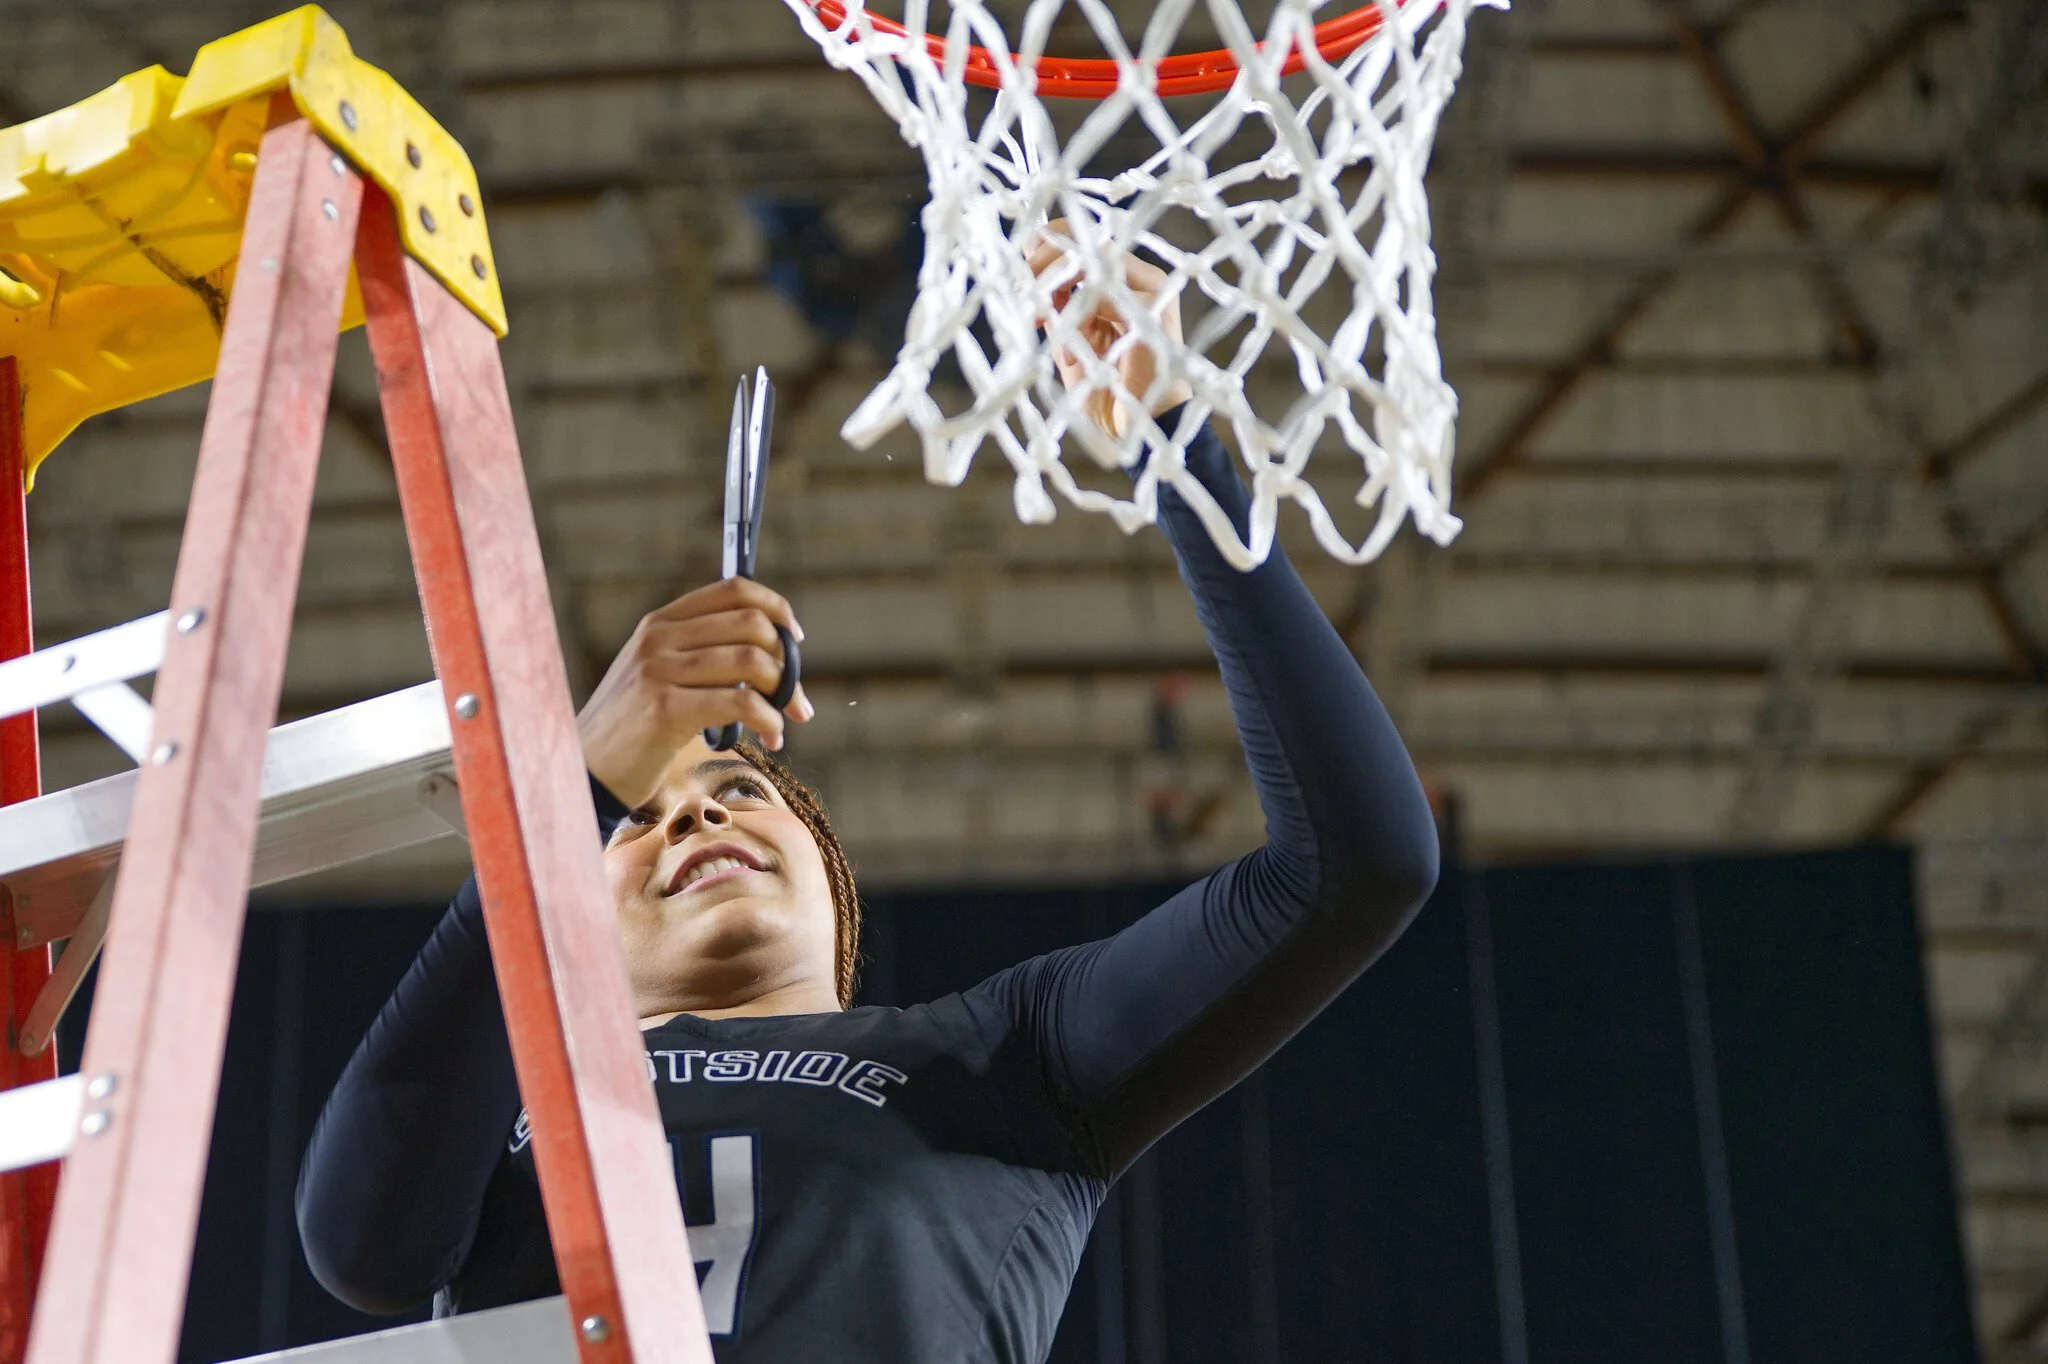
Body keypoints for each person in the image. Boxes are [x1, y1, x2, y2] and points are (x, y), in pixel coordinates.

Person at [296, 237, 1441, 1361]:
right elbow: (361, 1247)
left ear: (835, 893)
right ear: (565, 920)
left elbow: (1354, 865)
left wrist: (1178, 450)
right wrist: (567, 793)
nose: (688, 813)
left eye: (738, 787)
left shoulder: (1002, 1055)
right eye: (634, 817)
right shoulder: (487, 1099)